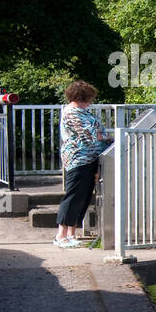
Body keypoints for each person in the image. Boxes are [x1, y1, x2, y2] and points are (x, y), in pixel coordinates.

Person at [55, 80, 111, 248]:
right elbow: (91, 135)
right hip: (78, 159)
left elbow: (95, 133)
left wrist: (103, 136)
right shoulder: (72, 112)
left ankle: (71, 233)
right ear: (82, 97)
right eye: (89, 98)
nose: (91, 102)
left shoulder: (81, 111)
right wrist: (107, 137)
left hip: (89, 158)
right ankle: (60, 235)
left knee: (83, 197)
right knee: (73, 196)